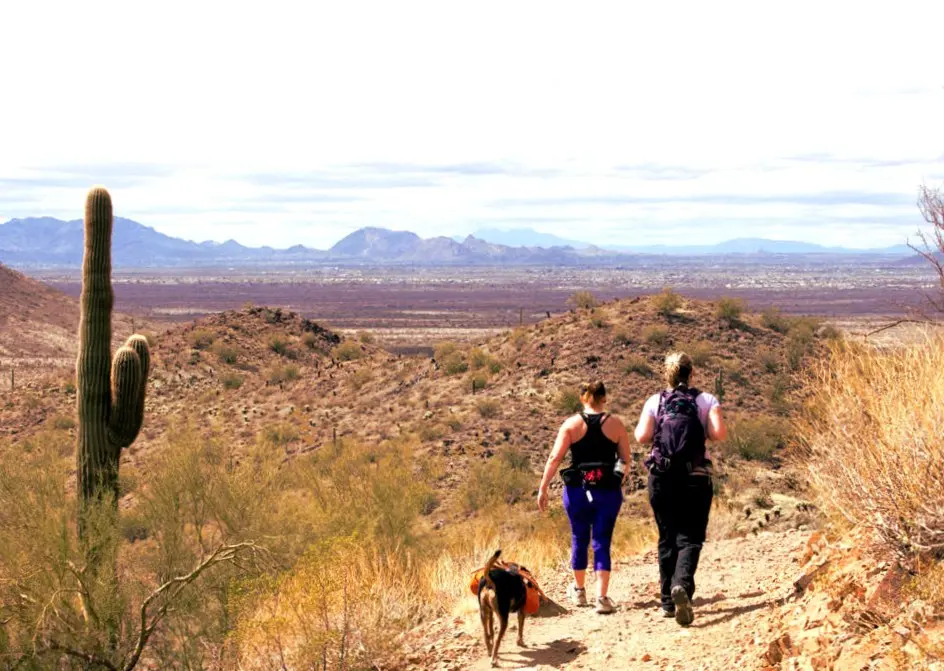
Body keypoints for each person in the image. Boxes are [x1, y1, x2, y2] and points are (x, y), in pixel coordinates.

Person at [634, 352, 727, 626]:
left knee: (666, 537)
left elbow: (641, 436)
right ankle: (682, 587)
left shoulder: (656, 401)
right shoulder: (706, 400)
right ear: (692, 373)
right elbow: (719, 434)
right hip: (695, 476)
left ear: (667, 374)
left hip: (661, 477)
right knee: (691, 537)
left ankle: (666, 602)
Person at [538, 381, 631, 615]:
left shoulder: (571, 424)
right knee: (602, 541)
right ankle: (602, 598)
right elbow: (625, 460)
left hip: (577, 490)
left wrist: (544, 487)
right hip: (607, 492)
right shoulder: (617, 424)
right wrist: (615, 479)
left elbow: (554, 458)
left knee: (579, 537)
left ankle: (579, 591)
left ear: (583, 398)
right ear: (604, 398)